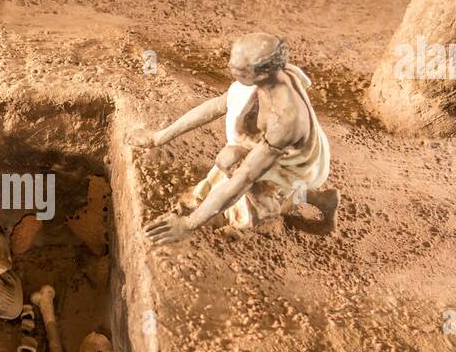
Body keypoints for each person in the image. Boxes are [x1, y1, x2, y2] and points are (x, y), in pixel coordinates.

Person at [131, 32, 337, 244]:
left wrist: (189, 224)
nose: (230, 67)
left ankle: (268, 209)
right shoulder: (274, 75)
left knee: (234, 165)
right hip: (269, 144)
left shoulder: (284, 122)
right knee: (228, 159)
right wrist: (159, 137)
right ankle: (316, 199)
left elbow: (245, 177)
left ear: (262, 72)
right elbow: (219, 105)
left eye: (239, 68)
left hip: (292, 164)